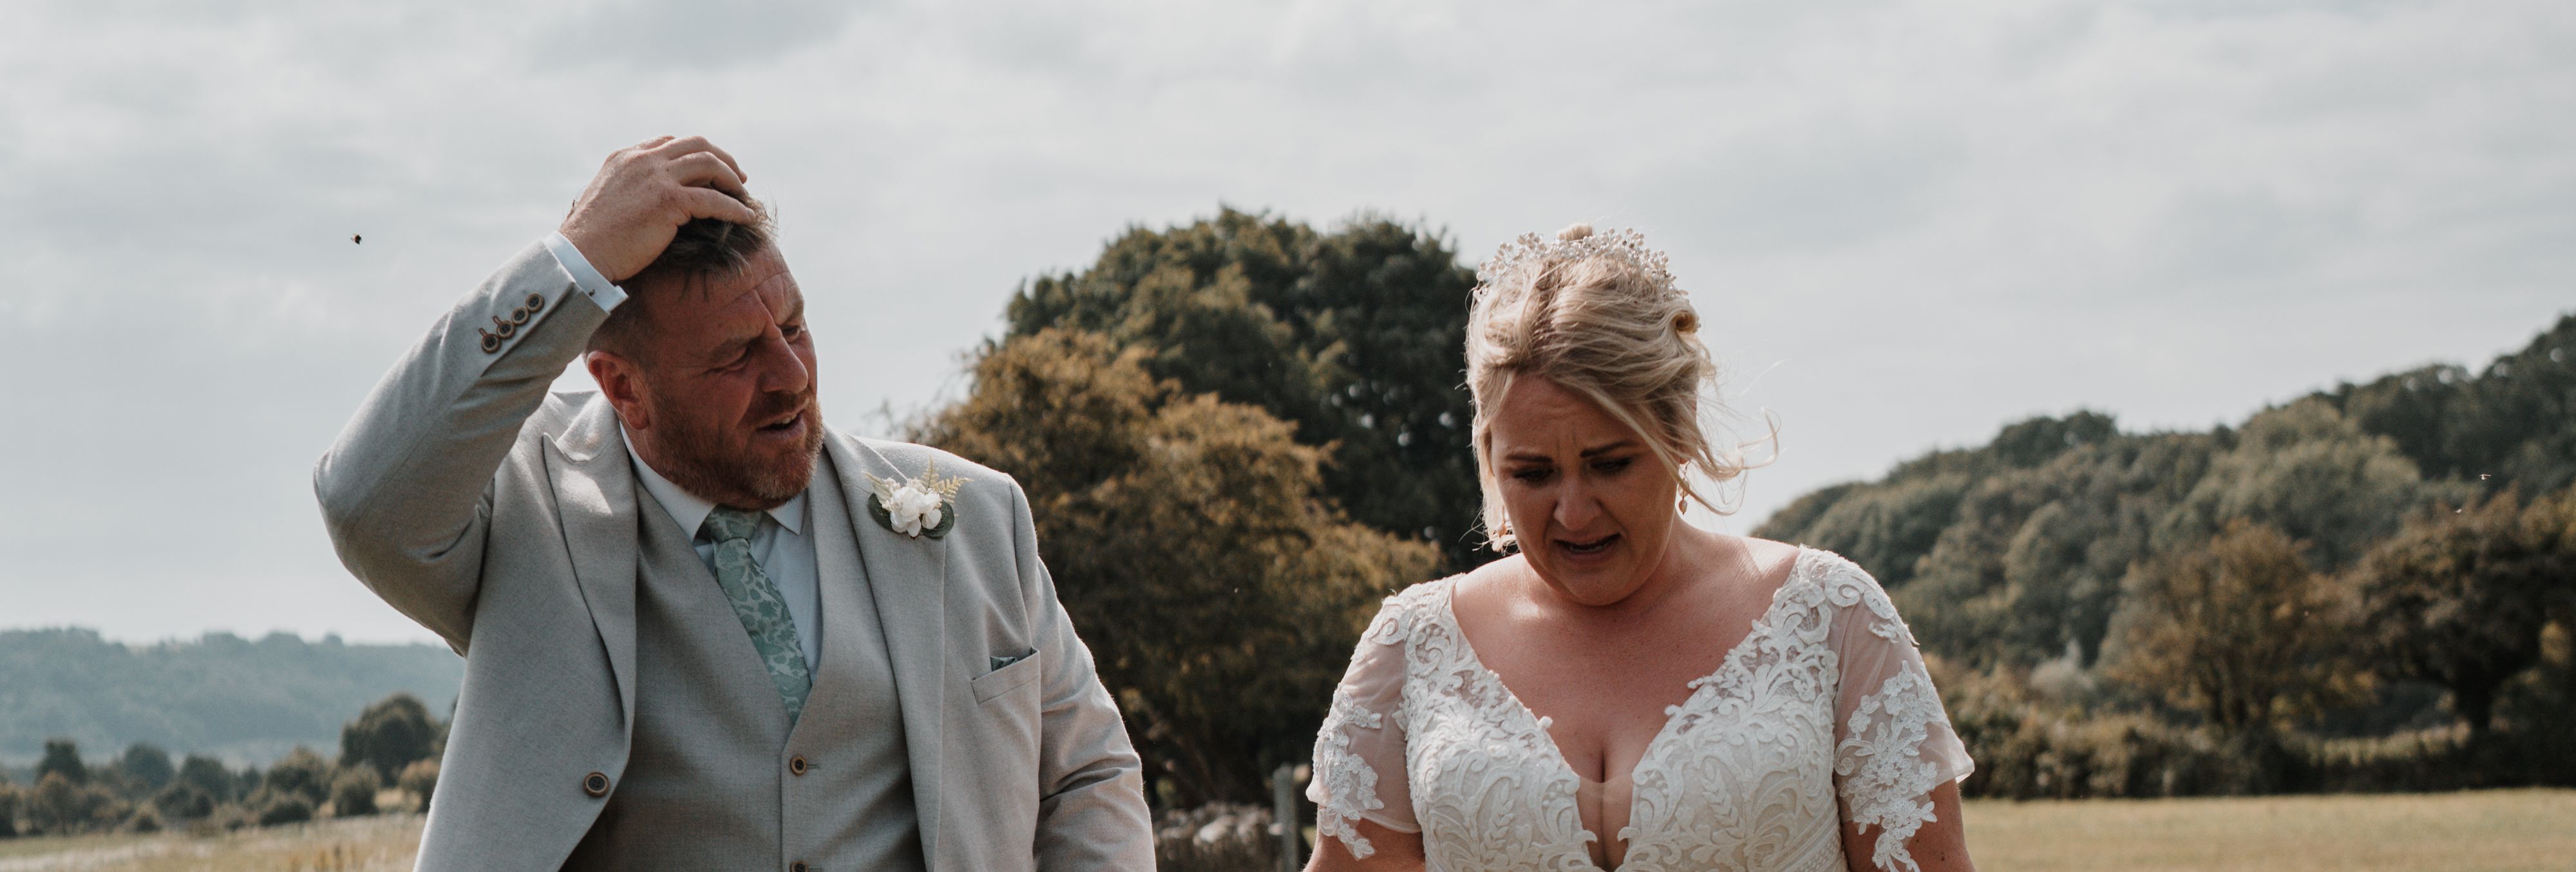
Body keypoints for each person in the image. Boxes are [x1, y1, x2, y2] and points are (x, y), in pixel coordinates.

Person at [314, 136, 1154, 871]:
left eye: (793, 327)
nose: (790, 376)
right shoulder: (523, 510)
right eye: (735, 357)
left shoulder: (974, 517)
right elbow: (365, 500)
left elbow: (1085, 770)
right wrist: (572, 259)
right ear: (622, 388)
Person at [1303, 225, 1977, 872]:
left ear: (1678, 435)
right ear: (1488, 455)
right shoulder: (1411, 644)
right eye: (1532, 474)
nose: (1572, 510)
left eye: (1610, 463)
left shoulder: (1831, 618)